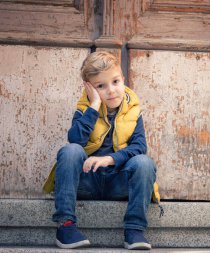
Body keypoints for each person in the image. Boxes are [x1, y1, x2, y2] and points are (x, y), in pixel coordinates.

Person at [43, 51, 158, 250]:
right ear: (90, 89)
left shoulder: (134, 110)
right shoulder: (85, 108)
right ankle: (66, 227)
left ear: (123, 79)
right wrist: (94, 106)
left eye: (115, 82)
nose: (111, 91)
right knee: (70, 151)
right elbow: (76, 139)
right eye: (101, 86)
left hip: (118, 184)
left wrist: (109, 159)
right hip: (87, 181)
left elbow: (139, 147)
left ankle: (134, 230)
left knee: (144, 162)